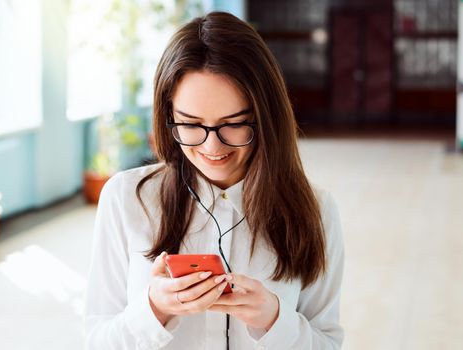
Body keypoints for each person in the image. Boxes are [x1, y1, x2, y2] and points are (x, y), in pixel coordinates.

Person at [84, 11, 344, 350]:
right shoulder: (126, 198)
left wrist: (275, 319)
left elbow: (327, 344)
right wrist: (154, 309)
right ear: (168, 117)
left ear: (266, 117)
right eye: (191, 124)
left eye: (234, 123)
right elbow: (96, 342)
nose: (212, 146)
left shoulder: (316, 210)